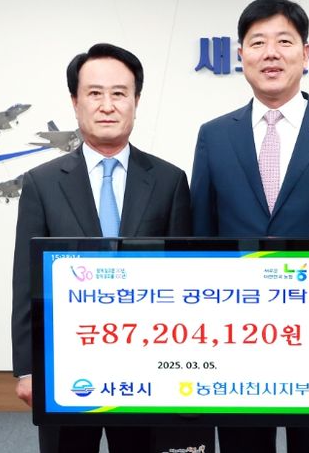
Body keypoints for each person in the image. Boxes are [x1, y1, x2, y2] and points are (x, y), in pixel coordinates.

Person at [190, 0, 309, 453]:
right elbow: (199, 238)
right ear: (241, 55)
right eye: (258, 43)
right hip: (234, 334)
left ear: (306, 53)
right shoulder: (214, 135)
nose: (271, 53)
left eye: (284, 41)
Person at [12, 43, 192, 453]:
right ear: (75, 102)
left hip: (148, 367)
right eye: (94, 93)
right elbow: (26, 282)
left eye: (119, 93)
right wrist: (27, 368)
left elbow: (184, 279)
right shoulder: (42, 183)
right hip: (65, 367)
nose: (107, 105)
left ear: (136, 101)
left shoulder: (169, 181)